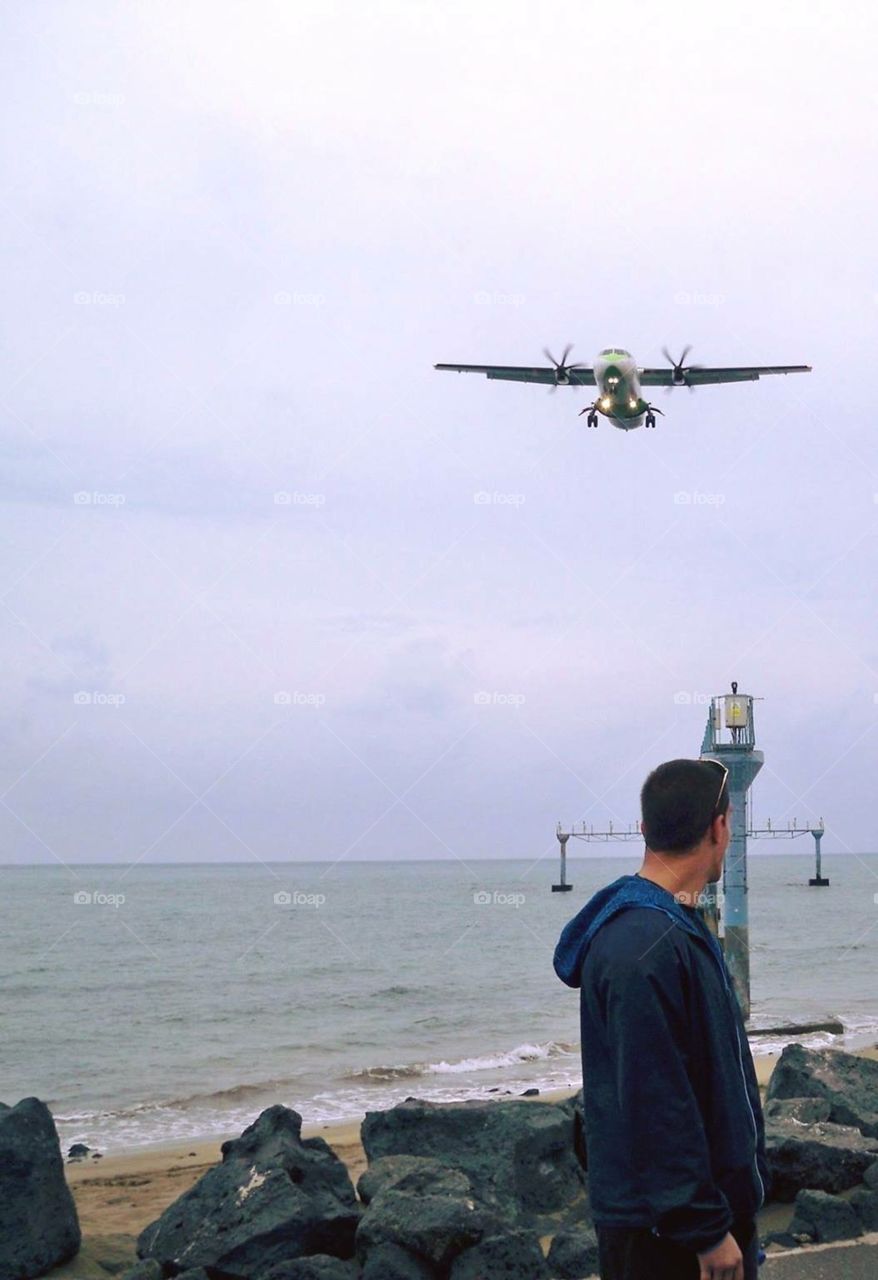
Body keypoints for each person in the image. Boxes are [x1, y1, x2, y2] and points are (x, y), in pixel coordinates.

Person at [553, 758, 768, 1280]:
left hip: (691, 1221)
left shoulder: (672, 927)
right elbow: (655, 1101)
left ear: (645, 829)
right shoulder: (644, 945)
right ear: (721, 826)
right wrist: (706, 1231)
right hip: (667, 1238)